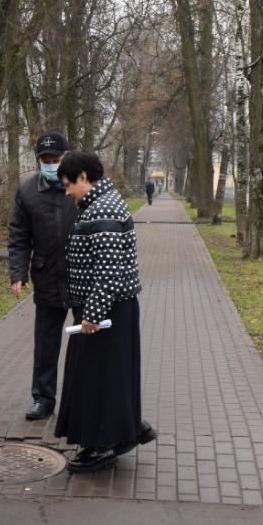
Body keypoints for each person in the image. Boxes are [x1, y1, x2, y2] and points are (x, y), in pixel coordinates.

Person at [53, 150, 156, 473]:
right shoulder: (99, 204)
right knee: (110, 375)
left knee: (97, 378)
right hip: (109, 309)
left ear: (84, 177)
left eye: (69, 184)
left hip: (106, 311)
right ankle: (125, 429)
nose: (67, 192)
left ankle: (100, 445)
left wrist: (92, 314)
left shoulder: (103, 210)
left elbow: (108, 272)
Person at [7, 130, 75, 421]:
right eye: (45, 159)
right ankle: (43, 399)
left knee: (86, 341)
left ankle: (82, 397)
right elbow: (18, 236)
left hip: (80, 275)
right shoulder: (27, 191)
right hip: (47, 275)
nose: (50, 164)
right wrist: (17, 273)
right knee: (46, 342)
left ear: (66, 158)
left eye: (55, 159)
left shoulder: (81, 185)